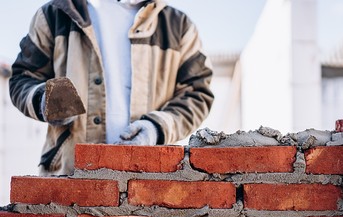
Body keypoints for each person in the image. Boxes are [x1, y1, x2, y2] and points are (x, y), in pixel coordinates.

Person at [9, 0, 214, 176]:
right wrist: (45, 100)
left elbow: (197, 93)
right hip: (68, 181)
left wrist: (157, 128)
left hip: (147, 186)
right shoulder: (56, 13)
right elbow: (23, 78)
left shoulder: (178, 26)